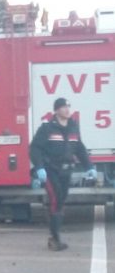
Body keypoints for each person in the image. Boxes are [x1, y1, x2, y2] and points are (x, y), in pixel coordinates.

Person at [30, 97, 96, 251]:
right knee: (55, 198)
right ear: (57, 110)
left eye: (68, 106)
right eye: (64, 107)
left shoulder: (73, 126)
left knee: (61, 201)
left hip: (66, 171)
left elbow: (79, 148)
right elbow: (35, 149)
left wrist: (89, 167)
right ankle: (55, 238)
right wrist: (39, 167)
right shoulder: (47, 128)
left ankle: (55, 235)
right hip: (50, 170)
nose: (67, 109)